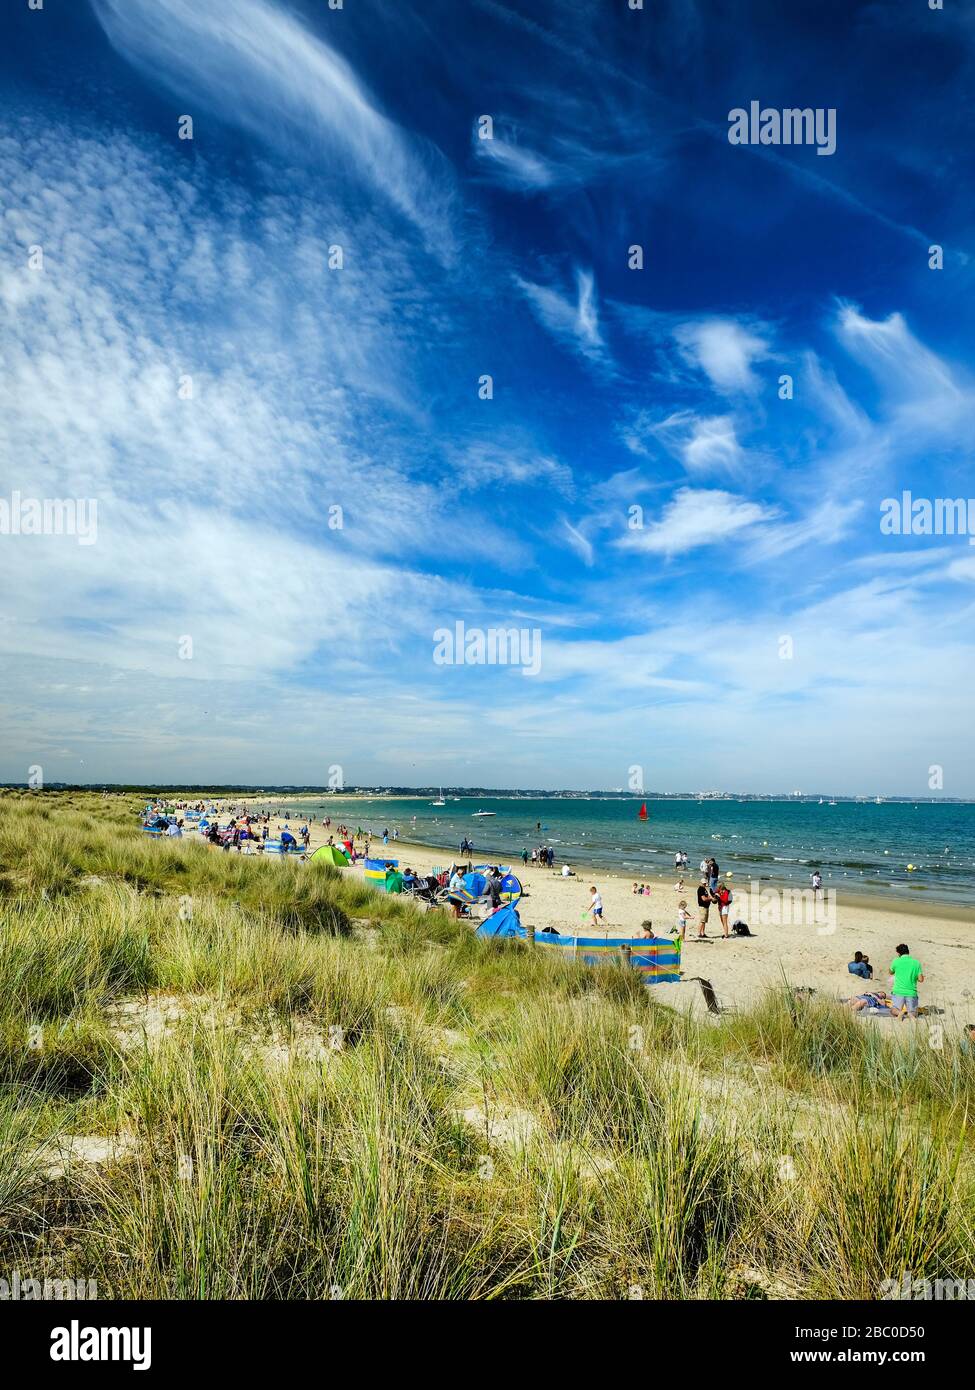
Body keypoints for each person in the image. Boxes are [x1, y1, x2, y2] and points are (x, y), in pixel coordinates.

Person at [889, 944, 924, 1019]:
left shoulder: (896, 961)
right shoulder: (916, 963)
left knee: (893, 1010)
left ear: (898, 953)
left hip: (898, 991)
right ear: (908, 952)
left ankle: (899, 1012)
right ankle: (910, 1014)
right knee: (913, 1013)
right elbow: (921, 979)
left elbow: (890, 972)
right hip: (911, 992)